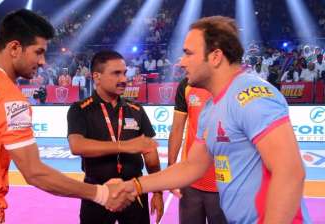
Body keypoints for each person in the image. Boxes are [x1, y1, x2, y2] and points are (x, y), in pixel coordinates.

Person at [0, 9, 133, 224]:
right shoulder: (10, 100)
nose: (42, 61)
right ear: (14, 48)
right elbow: (35, 173)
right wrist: (102, 194)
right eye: (38, 52)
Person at [116, 16, 311, 223]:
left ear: (216, 56)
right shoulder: (211, 107)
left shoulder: (252, 95)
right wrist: (134, 185)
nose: (181, 62)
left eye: (189, 53)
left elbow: (290, 172)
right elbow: (192, 167)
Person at [67, 50, 164, 224]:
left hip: (135, 190)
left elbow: (151, 157)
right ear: (96, 77)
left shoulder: (136, 110)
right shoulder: (80, 109)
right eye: (116, 73)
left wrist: (157, 192)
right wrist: (124, 146)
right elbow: (77, 146)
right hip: (97, 192)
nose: (124, 79)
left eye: (125, 73)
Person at [168, 78, 226, 224]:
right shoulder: (186, 84)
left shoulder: (234, 83)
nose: (182, 62)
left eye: (189, 54)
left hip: (225, 183)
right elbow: (177, 129)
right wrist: (171, 168)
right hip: (190, 180)